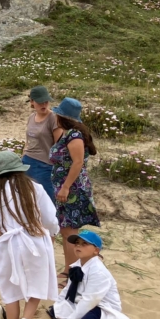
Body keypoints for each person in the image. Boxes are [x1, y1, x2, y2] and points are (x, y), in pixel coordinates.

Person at [0, 151, 59, 319]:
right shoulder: (33, 187)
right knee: (38, 282)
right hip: (33, 240)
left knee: (10, 292)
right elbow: (50, 218)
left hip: (7, 244)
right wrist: (52, 233)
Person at [48, 230, 133, 319]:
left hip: (100, 305)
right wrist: (58, 305)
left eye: (84, 244)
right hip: (81, 301)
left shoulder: (98, 272)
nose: (78, 246)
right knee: (56, 311)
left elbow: (90, 300)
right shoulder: (77, 265)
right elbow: (67, 290)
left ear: (96, 251)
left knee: (89, 317)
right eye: (77, 243)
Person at [50, 97, 100, 284]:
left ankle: (71, 272)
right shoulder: (68, 133)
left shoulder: (74, 136)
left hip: (71, 190)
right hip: (66, 189)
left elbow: (78, 163)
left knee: (70, 232)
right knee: (66, 231)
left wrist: (65, 187)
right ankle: (69, 269)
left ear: (63, 116)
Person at [22, 86, 62, 204]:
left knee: (49, 201)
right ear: (32, 102)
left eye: (46, 101)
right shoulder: (31, 117)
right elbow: (28, 140)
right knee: (29, 198)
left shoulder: (53, 118)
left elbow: (59, 145)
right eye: (40, 102)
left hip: (45, 165)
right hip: (27, 162)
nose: (44, 104)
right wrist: (23, 156)